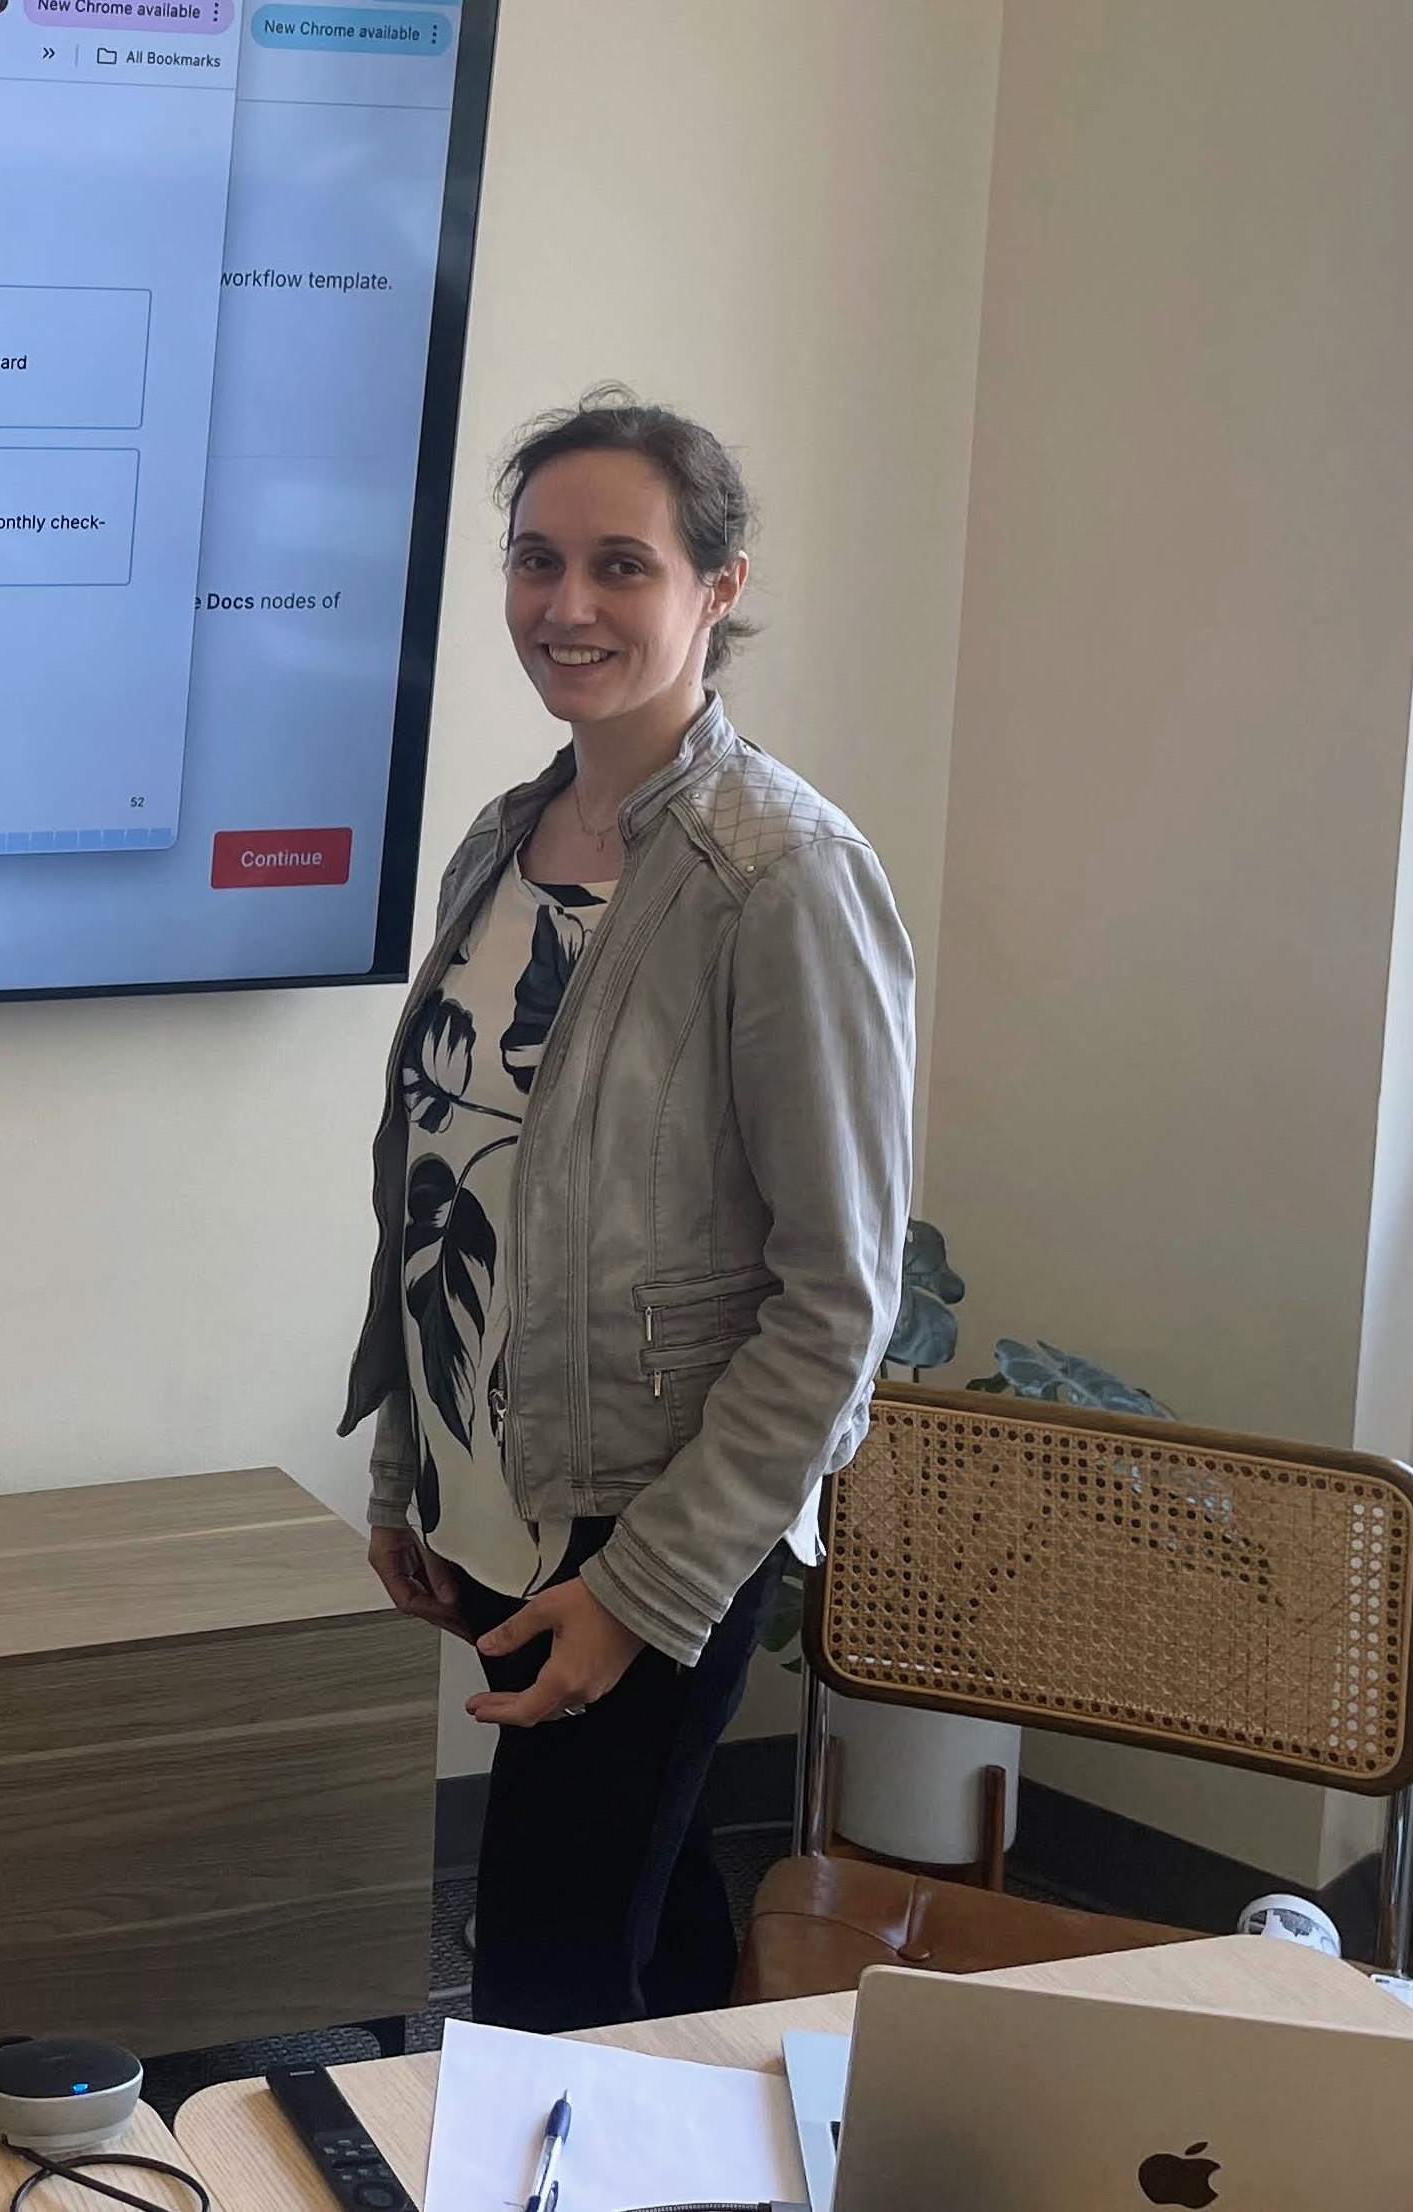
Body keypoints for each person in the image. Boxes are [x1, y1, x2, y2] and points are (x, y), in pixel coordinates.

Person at [342, 387, 914, 2031]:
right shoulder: (507, 842)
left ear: (715, 591)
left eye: (621, 566)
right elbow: (446, 1169)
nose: (566, 606)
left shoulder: (781, 878)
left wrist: (646, 1590)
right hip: (496, 1479)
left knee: (542, 1964)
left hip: (648, 1521)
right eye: (536, 561)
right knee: (639, 1938)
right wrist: (407, 1453)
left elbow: (838, 1302)